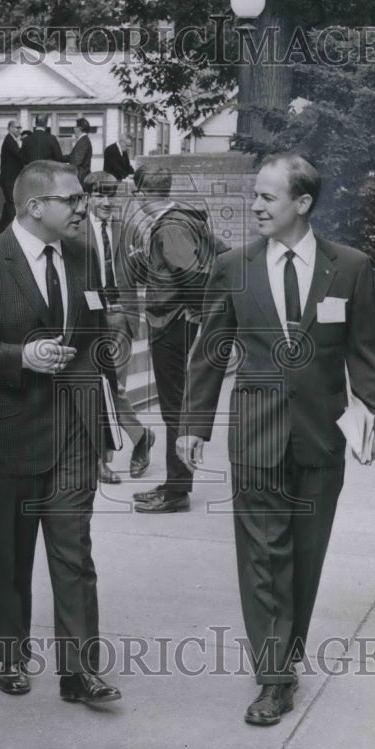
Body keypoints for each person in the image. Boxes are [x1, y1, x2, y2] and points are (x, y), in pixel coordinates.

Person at [177, 153, 375, 726]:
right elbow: (209, 352)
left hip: (322, 438)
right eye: (255, 195)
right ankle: (275, 678)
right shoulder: (232, 266)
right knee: (263, 558)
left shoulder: (349, 266)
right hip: (256, 437)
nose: (255, 206)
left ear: (303, 203)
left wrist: (374, 420)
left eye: (268, 197)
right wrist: (194, 426)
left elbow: (365, 354)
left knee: (306, 555)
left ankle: (286, 653)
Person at [0, 160, 122, 706]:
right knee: (9, 557)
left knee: (74, 555)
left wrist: (106, 429)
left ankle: (79, 672)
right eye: (71, 199)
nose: (82, 207)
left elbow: (97, 350)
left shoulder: (87, 258)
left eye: (82, 198)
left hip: (72, 436)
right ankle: (12, 657)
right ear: (35, 206)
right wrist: (22, 356)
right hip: (7, 437)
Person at [123, 168, 224, 514]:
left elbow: (192, 274)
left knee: (175, 408)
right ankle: (174, 483)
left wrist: (197, 309)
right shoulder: (184, 217)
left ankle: (177, 490)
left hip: (171, 324)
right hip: (176, 322)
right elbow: (220, 256)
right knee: (176, 406)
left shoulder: (170, 227)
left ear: (139, 195)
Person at [84, 172, 154, 484]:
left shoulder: (127, 230)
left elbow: (146, 270)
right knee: (98, 387)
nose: (107, 202)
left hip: (121, 317)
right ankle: (136, 439)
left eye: (112, 196)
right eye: (100, 195)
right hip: (89, 319)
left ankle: (107, 456)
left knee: (114, 389)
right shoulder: (75, 231)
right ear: (88, 197)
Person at [0, 119, 24, 234]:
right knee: (12, 206)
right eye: (17, 128)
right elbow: (19, 154)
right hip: (9, 181)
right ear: (10, 128)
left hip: (10, 180)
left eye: (20, 128)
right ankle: (12, 233)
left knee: (8, 206)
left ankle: (0, 233)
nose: (20, 130)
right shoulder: (9, 141)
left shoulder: (12, 140)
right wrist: (26, 145)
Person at [63, 117, 93, 187]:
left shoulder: (83, 141)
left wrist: (63, 168)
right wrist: (58, 157)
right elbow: (72, 157)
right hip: (81, 177)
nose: (74, 129)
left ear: (79, 129)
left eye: (75, 126)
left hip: (80, 179)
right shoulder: (83, 140)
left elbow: (76, 161)